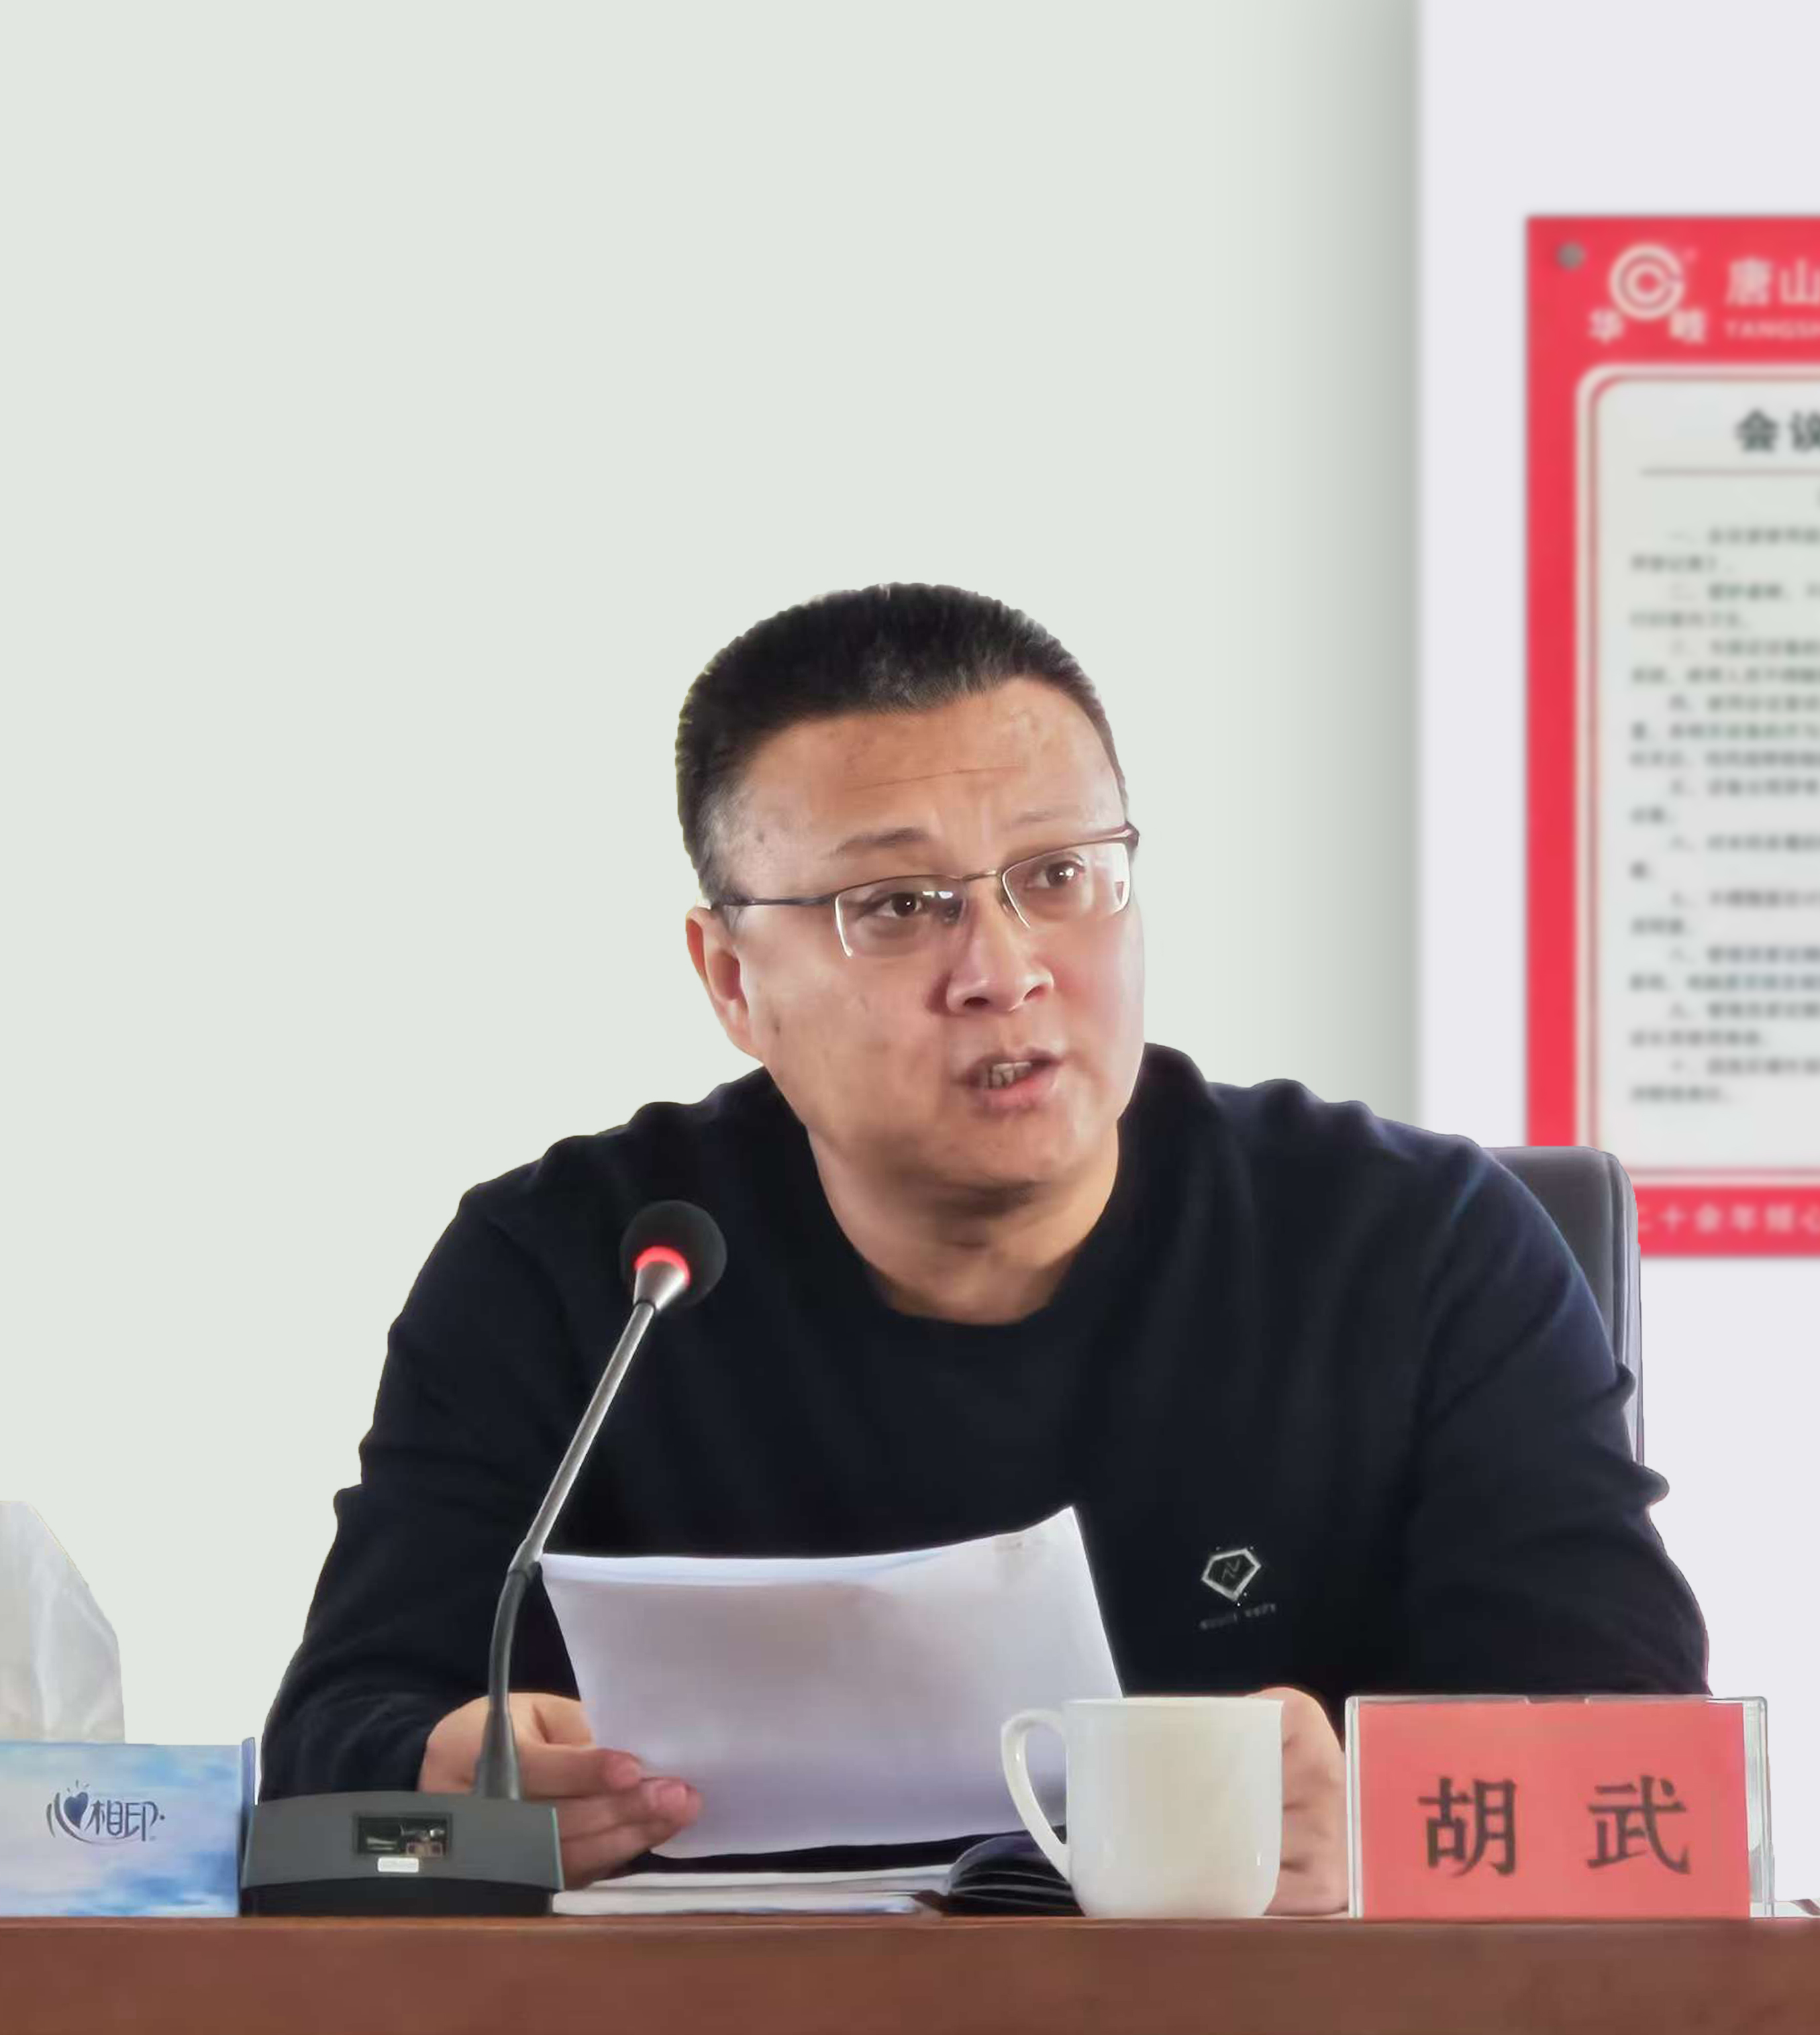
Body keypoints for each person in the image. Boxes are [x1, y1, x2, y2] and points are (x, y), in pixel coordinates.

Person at [260, 583, 1707, 1914]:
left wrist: (1385, 1828)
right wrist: (449, 1798)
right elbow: (325, 1785)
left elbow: (1647, 1775)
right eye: (897, 907)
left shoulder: (1413, 1247)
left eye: (1059, 876)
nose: (1003, 970)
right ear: (732, 979)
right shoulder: (582, 1272)